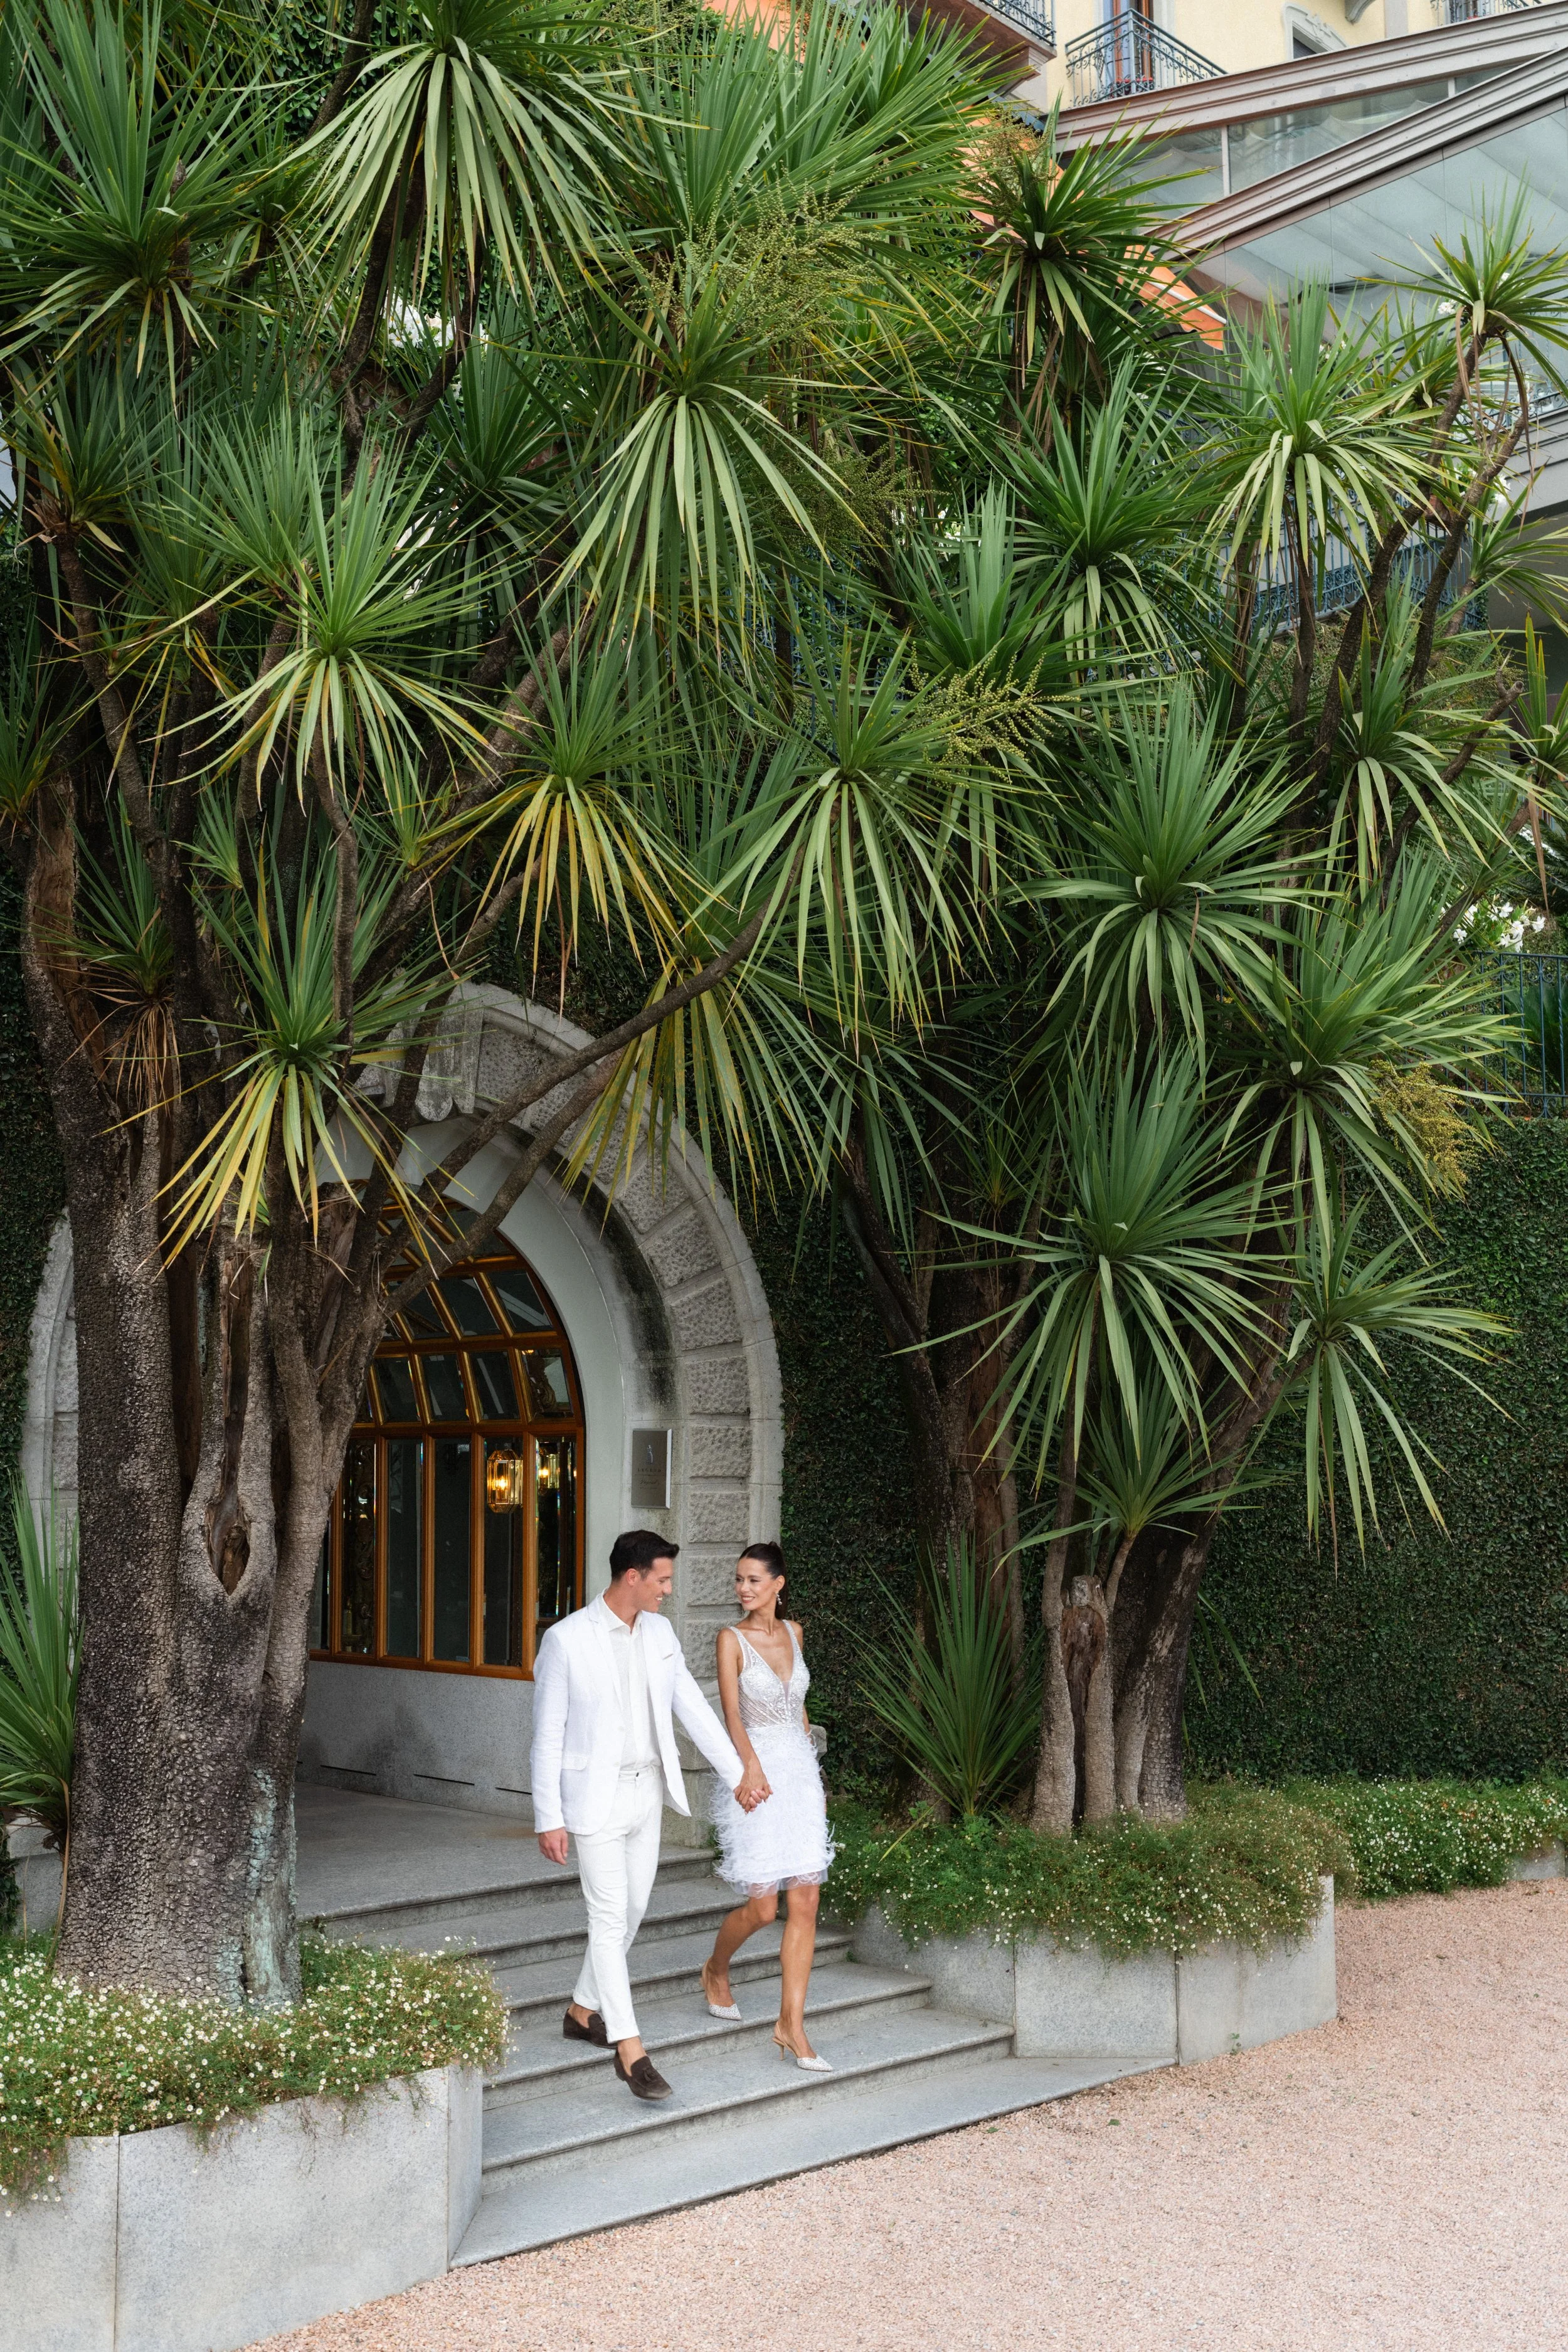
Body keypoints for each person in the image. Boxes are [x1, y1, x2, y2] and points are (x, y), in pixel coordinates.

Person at [531, 1529, 770, 2102]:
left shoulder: (660, 1632)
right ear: (631, 1577)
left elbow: (692, 1707)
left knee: (632, 1911)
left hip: (646, 1794)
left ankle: (582, 2009)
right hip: (593, 1799)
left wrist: (740, 1775)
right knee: (611, 1916)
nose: (669, 1589)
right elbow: (546, 1736)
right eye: (662, 1579)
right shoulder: (566, 1641)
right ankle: (630, 2050)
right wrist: (548, 1815)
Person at [699, 1542, 835, 2070]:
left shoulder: (795, 1634)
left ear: (779, 1584)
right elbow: (733, 1715)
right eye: (739, 1580)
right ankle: (715, 1968)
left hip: (799, 1777)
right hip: (754, 1777)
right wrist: (749, 1768)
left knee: (805, 1905)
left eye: (754, 1580)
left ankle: (791, 2026)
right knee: (763, 1906)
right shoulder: (730, 1640)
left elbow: (798, 1710)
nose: (744, 1589)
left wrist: (814, 1774)